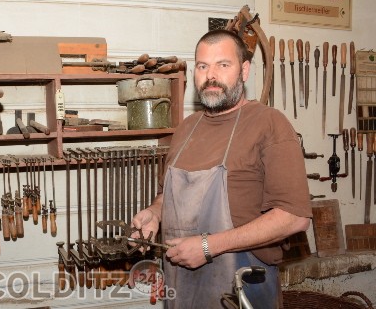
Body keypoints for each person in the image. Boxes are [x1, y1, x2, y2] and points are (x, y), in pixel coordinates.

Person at [131, 29, 312, 309]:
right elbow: (167, 195)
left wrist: (208, 246)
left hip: (243, 286)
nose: (211, 76)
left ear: (244, 71)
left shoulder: (269, 124)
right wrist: (154, 214)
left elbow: (294, 217)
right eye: (203, 66)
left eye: (223, 65)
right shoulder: (186, 129)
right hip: (181, 286)